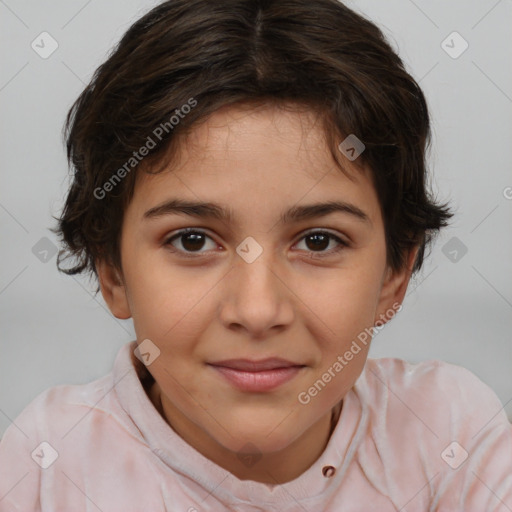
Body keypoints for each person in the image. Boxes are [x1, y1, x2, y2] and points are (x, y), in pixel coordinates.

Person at [1, 0, 511, 510]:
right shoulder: (46, 469)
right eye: (193, 240)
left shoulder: (452, 441)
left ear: (393, 275)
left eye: (318, 241)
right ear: (112, 272)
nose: (258, 311)